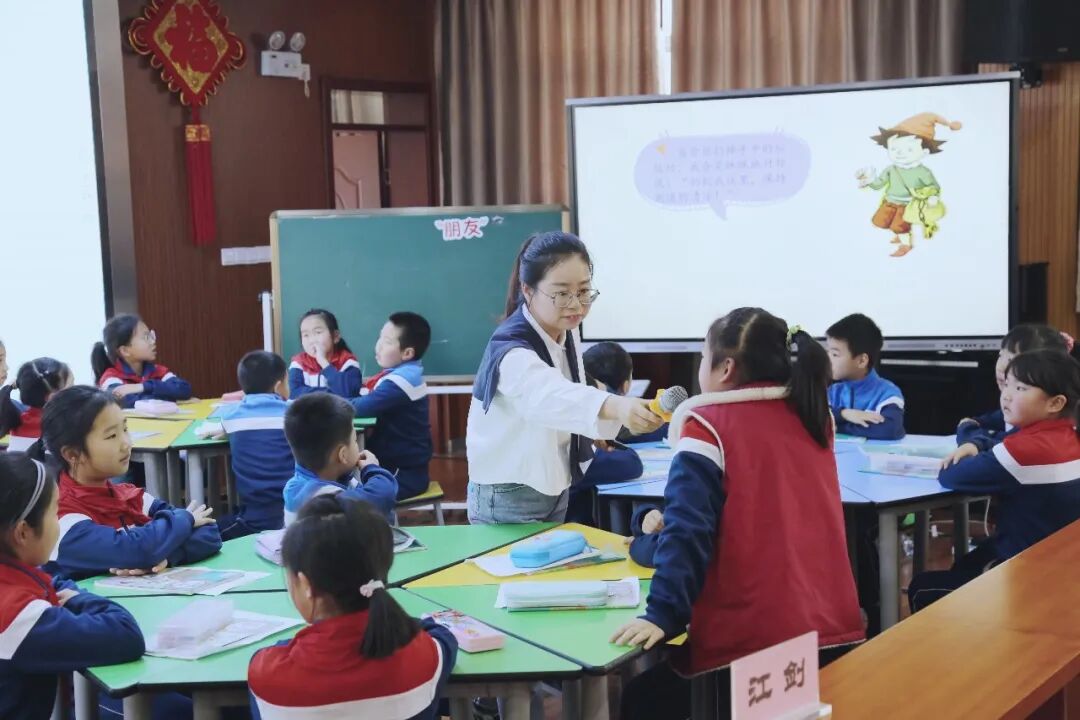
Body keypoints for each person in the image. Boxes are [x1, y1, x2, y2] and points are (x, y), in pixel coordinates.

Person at [612, 308, 863, 720]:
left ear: (726, 368)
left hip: (753, 639)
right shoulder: (814, 415)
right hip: (828, 626)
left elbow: (689, 532)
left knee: (643, 699)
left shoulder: (706, 424)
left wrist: (663, 613)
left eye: (703, 357)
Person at [467, 232, 663, 524]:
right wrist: (619, 406)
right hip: (511, 492)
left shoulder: (566, 329)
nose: (576, 305)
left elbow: (574, 389)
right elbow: (550, 396)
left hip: (555, 480)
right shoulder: (511, 351)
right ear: (528, 290)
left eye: (584, 291)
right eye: (561, 294)